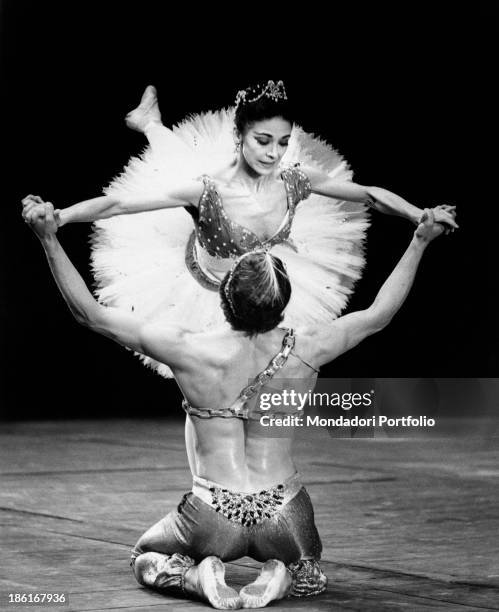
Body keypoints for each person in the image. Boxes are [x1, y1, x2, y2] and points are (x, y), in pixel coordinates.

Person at [23, 198, 445, 609]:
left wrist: (49, 239)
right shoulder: (311, 347)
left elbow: (89, 314)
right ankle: (284, 573)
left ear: (224, 297)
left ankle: (193, 577)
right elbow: (379, 314)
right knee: (310, 571)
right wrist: (420, 241)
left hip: (212, 514)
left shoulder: (188, 349)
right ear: (282, 302)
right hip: (285, 512)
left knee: (145, 560)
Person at [22, 81, 457, 378]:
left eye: (283, 142)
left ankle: (151, 122)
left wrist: (419, 213)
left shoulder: (294, 180)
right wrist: (61, 216)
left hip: (256, 281)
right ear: (240, 136)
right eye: (263, 141)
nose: (274, 153)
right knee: (180, 171)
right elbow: (119, 204)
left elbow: (368, 194)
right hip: (204, 283)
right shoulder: (208, 190)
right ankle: (150, 123)